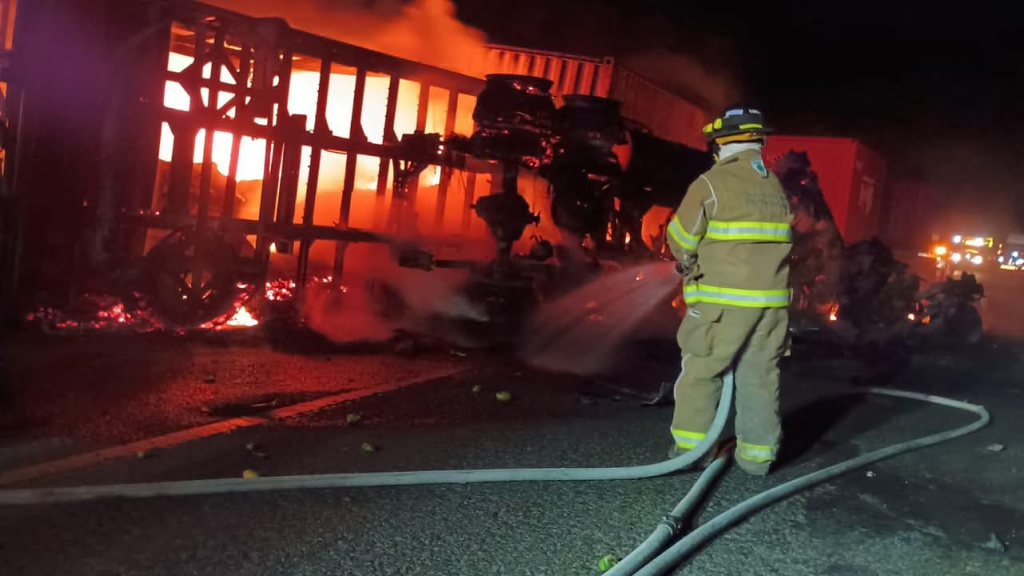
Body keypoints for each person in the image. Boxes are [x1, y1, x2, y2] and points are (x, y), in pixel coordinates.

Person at [664, 105, 793, 475]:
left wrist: (684, 261)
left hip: (722, 305)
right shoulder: (774, 188)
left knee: (702, 372)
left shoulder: (710, 183)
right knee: (760, 377)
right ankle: (757, 459)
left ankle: (691, 453)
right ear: (758, 140)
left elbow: (681, 239)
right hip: (771, 307)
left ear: (721, 142)